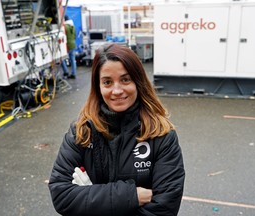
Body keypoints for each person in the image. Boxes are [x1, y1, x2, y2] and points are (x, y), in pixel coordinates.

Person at [48, 44, 185, 216]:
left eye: (125, 79)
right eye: (107, 82)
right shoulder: (82, 132)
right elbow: (61, 194)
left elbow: (164, 209)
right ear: (98, 86)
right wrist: (132, 195)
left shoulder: (162, 135)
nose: (117, 90)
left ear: (138, 81)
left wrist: (92, 200)